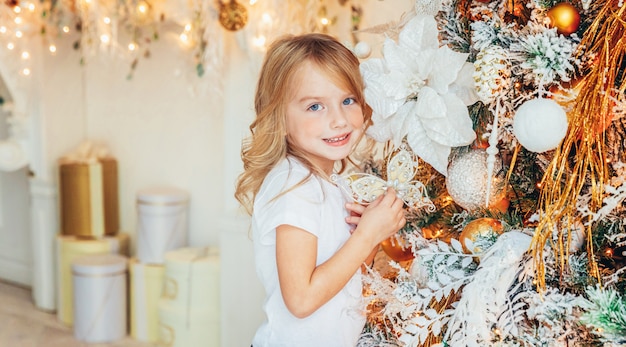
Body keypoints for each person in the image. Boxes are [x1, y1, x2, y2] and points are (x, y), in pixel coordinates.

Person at [234, 33, 406, 347]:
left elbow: (344, 274)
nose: (339, 120)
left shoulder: (328, 184)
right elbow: (301, 300)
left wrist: (369, 234)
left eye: (347, 100)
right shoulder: (294, 186)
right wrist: (367, 235)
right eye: (315, 106)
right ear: (280, 119)